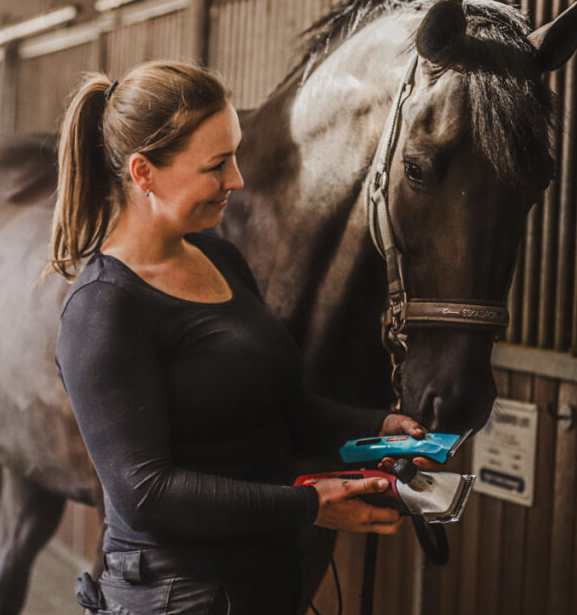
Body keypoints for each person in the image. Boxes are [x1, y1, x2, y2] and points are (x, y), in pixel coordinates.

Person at [46, 61, 431, 615]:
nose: (237, 179)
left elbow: (284, 412)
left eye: (235, 155)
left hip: (262, 582)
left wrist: (380, 429)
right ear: (143, 172)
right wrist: (308, 504)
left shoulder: (220, 258)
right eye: (216, 164)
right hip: (176, 596)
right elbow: (146, 493)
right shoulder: (104, 308)